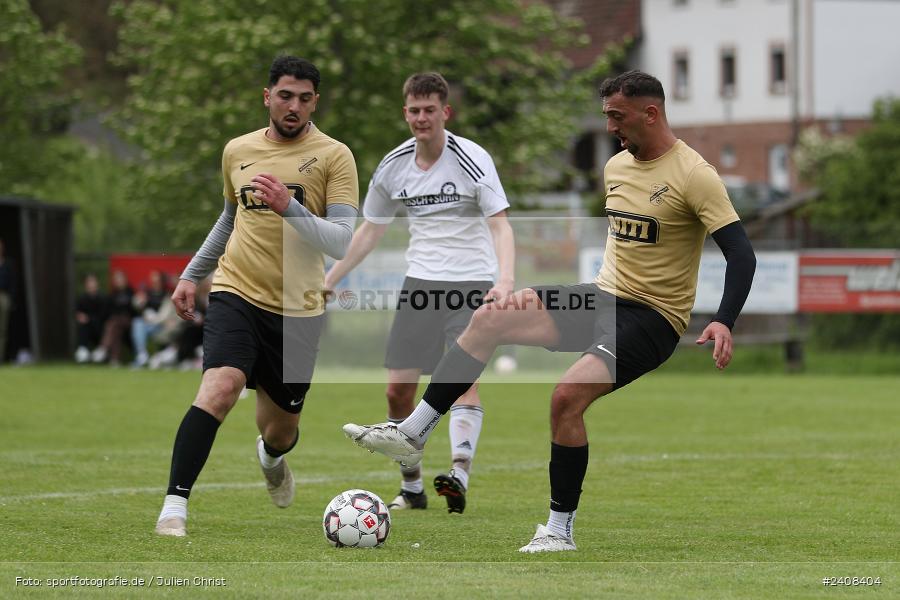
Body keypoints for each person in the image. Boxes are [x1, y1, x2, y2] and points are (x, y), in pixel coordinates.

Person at [343, 71, 757, 552]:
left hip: (651, 317)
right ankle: (414, 432)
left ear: (651, 113)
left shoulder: (694, 174)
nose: (609, 129)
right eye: (606, 117)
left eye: (616, 117)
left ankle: (560, 532)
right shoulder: (617, 167)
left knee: (565, 399)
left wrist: (724, 318)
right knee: (489, 316)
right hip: (600, 296)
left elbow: (741, 254)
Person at [154, 55, 359, 537]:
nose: (294, 106)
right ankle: (174, 507)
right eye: (285, 95)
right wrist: (191, 274)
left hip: (298, 310)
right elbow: (230, 221)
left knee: (280, 430)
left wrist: (289, 207)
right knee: (219, 388)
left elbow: (343, 240)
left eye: (304, 98)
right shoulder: (237, 151)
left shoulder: (334, 156)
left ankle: (270, 459)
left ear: (315, 103)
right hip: (235, 291)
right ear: (267, 97)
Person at [324, 72, 515, 514]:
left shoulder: (472, 158)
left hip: (471, 283)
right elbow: (370, 230)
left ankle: (459, 474)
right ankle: (412, 488)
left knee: (461, 379)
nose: (422, 118)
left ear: (445, 112)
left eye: (430, 110)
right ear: (405, 112)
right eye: (414, 110)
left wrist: (504, 281)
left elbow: (500, 225)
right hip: (421, 284)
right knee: (397, 391)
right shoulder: (394, 166)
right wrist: (331, 279)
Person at [92, 270, 134, 365]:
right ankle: (115, 359)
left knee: (113, 323)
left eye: (120, 279)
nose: (119, 281)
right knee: (116, 330)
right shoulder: (112, 295)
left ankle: (103, 348)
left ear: (125, 280)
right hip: (116, 323)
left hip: (128, 321)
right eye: (116, 280)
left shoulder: (130, 292)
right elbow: (107, 311)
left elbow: (133, 310)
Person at [130, 270, 169, 367]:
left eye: (156, 278)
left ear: (161, 280)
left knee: (140, 326)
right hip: (147, 323)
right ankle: (142, 353)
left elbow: (165, 314)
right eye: (153, 278)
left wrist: (155, 319)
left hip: (161, 324)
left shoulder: (166, 294)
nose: (154, 281)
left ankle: (142, 355)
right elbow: (137, 307)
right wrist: (139, 302)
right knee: (137, 323)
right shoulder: (147, 293)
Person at [74, 273, 107, 363]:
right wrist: (80, 316)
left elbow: (103, 315)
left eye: (93, 282)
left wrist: (88, 318)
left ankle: (101, 350)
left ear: (97, 284)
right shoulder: (82, 299)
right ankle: (82, 350)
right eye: (89, 282)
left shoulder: (103, 298)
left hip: (99, 328)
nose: (91, 285)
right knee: (83, 325)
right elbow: (77, 312)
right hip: (87, 329)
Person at [0, 238, 14, 363]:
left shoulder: (7, 263)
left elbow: (12, 283)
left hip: (3, 296)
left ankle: (1, 357)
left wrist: (11, 298)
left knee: (3, 329)